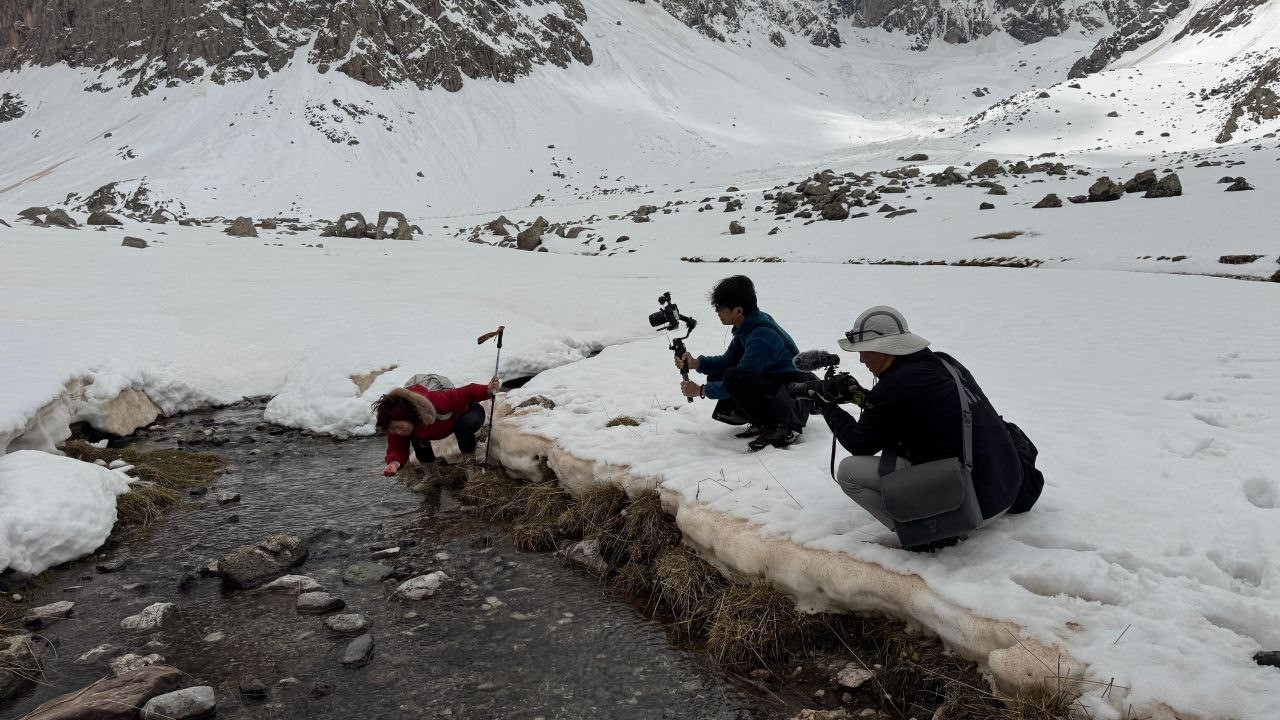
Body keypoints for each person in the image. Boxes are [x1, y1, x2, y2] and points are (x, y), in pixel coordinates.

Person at [818, 306, 1021, 544]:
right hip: (1002, 488)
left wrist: (826, 406)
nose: (861, 359)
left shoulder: (897, 384)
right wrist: (864, 397)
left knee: (849, 471)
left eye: (864, 351)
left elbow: (859, 444)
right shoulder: (942, 363)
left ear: (885, 348)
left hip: (972, 506)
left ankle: (927, 530)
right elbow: (906, 407)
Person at [675, 275, 813, 451]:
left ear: (738, 311)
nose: (717, 312)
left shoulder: (761, 336)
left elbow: (738, 379)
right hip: (779, 390)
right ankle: (761, 422)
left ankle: (780, 428)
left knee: (733, 377)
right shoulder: (749, 325)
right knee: (721, 373)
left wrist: (700, 390)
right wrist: (696, 363)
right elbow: (727, 361)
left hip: (793, 404)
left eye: (720, 308)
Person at [372, 376, 501, 476]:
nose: (397, 432)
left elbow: (466, 392)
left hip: (469, 412)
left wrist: (487, 390)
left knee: (463, 426)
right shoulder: (395, 424)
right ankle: (433, 476)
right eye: (393, 430)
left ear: (409, 415)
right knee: (417, 438)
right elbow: (397, 449)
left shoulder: (438, 402)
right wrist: (394, 464)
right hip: (434, 428)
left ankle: (472, 470)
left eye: (399, 427)